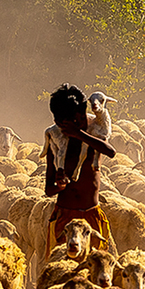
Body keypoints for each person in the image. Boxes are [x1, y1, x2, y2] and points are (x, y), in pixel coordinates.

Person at [44, 83, 116, 254]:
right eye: (75, 121)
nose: (82, 122)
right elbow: (48, 189)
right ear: (60, 122)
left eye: (83, 117)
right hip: (65, 218)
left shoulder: (94, 130)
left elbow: (110, 151)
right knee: (60, 266)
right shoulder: (55, 139)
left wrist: (79, 133)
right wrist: (60, 186)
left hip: (92, 215)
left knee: (98, 266)